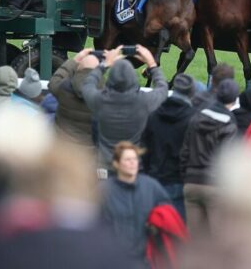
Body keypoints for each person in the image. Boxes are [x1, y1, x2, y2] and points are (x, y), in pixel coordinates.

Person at [80, 44, 169, 175]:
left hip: (105, 165)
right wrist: (152, 64)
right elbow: (162, 88)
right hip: (132, 166)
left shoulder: (100, 100)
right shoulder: (143, 101)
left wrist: (104, 64)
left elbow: (87, 84)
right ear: (134, 79)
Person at [180, 78, 239, 234]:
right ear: (234, 100)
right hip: (214, 185)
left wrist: (186, 176)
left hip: (191, 182)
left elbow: (185, 151)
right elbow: (228, 160)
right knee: (216, 241)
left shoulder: (196, 117)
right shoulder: (230, 123)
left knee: (193, 239)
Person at [100, 141, 171, 263]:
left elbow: (168, 216)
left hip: (144, 260)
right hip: (113, 260)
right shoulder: (103, 191)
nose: (132, 162)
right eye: (127, 159)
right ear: (116, 163)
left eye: (135, 159)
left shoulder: (151, 187)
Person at [141, 73, 196, 220]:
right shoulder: (193, 119)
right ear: (191, 93)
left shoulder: (154, 115)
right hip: (177, 180)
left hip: (154, 177)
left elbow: (144, 147)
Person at [48, 50, 98, 149]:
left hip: (63, 148)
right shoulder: (104, 94)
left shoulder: (64, 89)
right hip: (89, 151)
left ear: (79, 69)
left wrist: (75, 60)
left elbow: (55, 80)